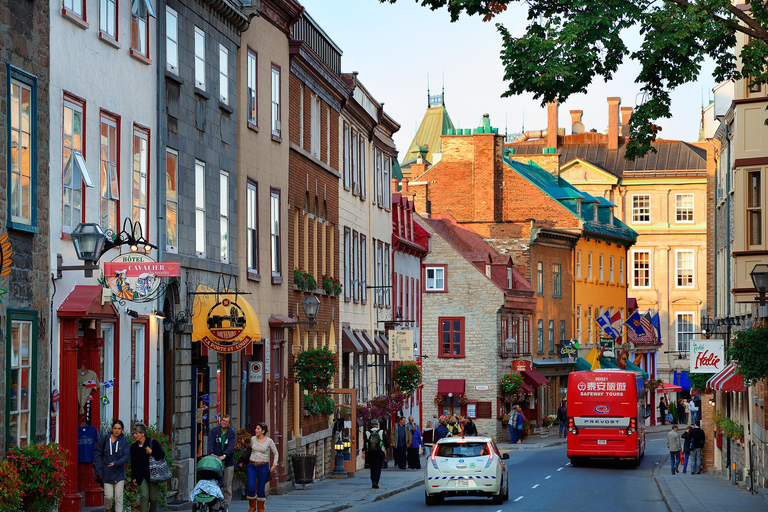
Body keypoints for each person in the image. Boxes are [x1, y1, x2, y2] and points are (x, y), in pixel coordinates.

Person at [94, 420, 129, 512]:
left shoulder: (124, 441)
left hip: (119, 473)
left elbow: (126, 455)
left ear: (122, 430)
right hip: (107, 473)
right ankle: (107, 509)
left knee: (119, 497)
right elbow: (97, 454)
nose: (117, 431)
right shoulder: (104, 439)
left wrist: (117, 462)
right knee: (108, 496)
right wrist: (99, 469)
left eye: (119, 429)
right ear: (112, 428)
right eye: (115, 428)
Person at [130, 423, 165, 512]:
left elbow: (161, 455)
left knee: (153, 499)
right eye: (134, 433)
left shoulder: (152, 442)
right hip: (141, 476)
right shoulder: (134, 447)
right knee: (144, 495)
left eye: (137, 433)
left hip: (153, 474)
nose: (135, 435)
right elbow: (133, 463)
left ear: (143, 433)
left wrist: (152, 452)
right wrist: (134, 477)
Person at [247, 422, 278, 512]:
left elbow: (275, 453)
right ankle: (252, 506)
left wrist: (274, 465)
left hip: (263, 466)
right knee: (250, 486)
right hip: (252, 465)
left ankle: (261, 508)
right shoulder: (253, 439)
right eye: (256, 428)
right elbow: (250, 450)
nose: (256, 430)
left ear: (263, 431)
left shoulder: (269, 441)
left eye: (258, 429)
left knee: (261, 487)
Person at [207, 414, 236, 505]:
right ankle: (214, 503)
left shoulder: (232, 432)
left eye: (226, 421)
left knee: (227, 485)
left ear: (229, 423)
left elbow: (231, 446)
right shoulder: (214, 431)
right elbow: (210, 442)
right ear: (221, 421)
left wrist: (225, 455)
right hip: (215, 461)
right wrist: (211, 453)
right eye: (223, 420)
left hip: (228, 462)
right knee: (214, 482)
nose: (224, 422)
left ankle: (225, 504)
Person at [363, 419, 390, 488]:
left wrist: (364, 452)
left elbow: (365, 443)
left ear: (371, 425)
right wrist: (385, 448)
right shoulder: (381, 432)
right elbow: (387, 443)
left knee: (372, 468)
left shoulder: (367, 432)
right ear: (377, 424)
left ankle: (373, 481)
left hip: (370, 452)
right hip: (379, 452)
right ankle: (376, 482)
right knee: (378, 468)